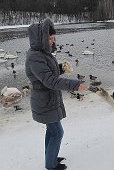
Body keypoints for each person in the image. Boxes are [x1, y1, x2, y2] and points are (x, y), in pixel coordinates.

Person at [25, 18, 87, 170]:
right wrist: (74, 84)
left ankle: (50, 158)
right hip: (44, 101)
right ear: (41, 39)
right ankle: (51, 165)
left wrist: (61, 68)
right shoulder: (35, 57)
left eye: (53, 39)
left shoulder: (43, 54)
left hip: (49, 100)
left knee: (51, 131)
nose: (52, 42)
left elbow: (48, 74)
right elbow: (49, 81)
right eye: (49, 39)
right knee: (57, 133)